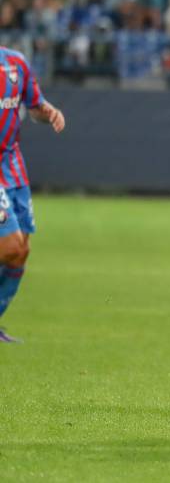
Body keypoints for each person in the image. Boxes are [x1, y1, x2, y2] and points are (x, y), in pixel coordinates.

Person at [0, 46, 66, 343]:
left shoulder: (16, 62)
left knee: (21, 252)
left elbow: (34, 106)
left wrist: (48, 111)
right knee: (9, 245)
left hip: (13, 166)